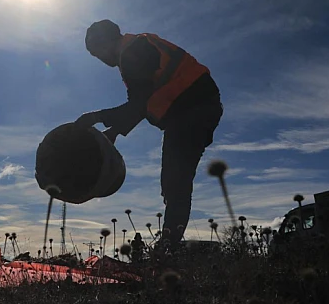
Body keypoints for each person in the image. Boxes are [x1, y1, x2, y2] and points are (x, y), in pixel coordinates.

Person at [76, 19, 223, 250]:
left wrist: (94, 117)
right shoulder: (135, 48)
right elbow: (145, 102)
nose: (101, 60)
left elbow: (138, 105)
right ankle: (169, 244)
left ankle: (167, 248)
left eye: (98, 52)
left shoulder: (133, 53)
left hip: (192, 109)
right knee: (174, 182)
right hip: (193, 108)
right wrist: (115, 131)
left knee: (175, 181)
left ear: (107, 40)